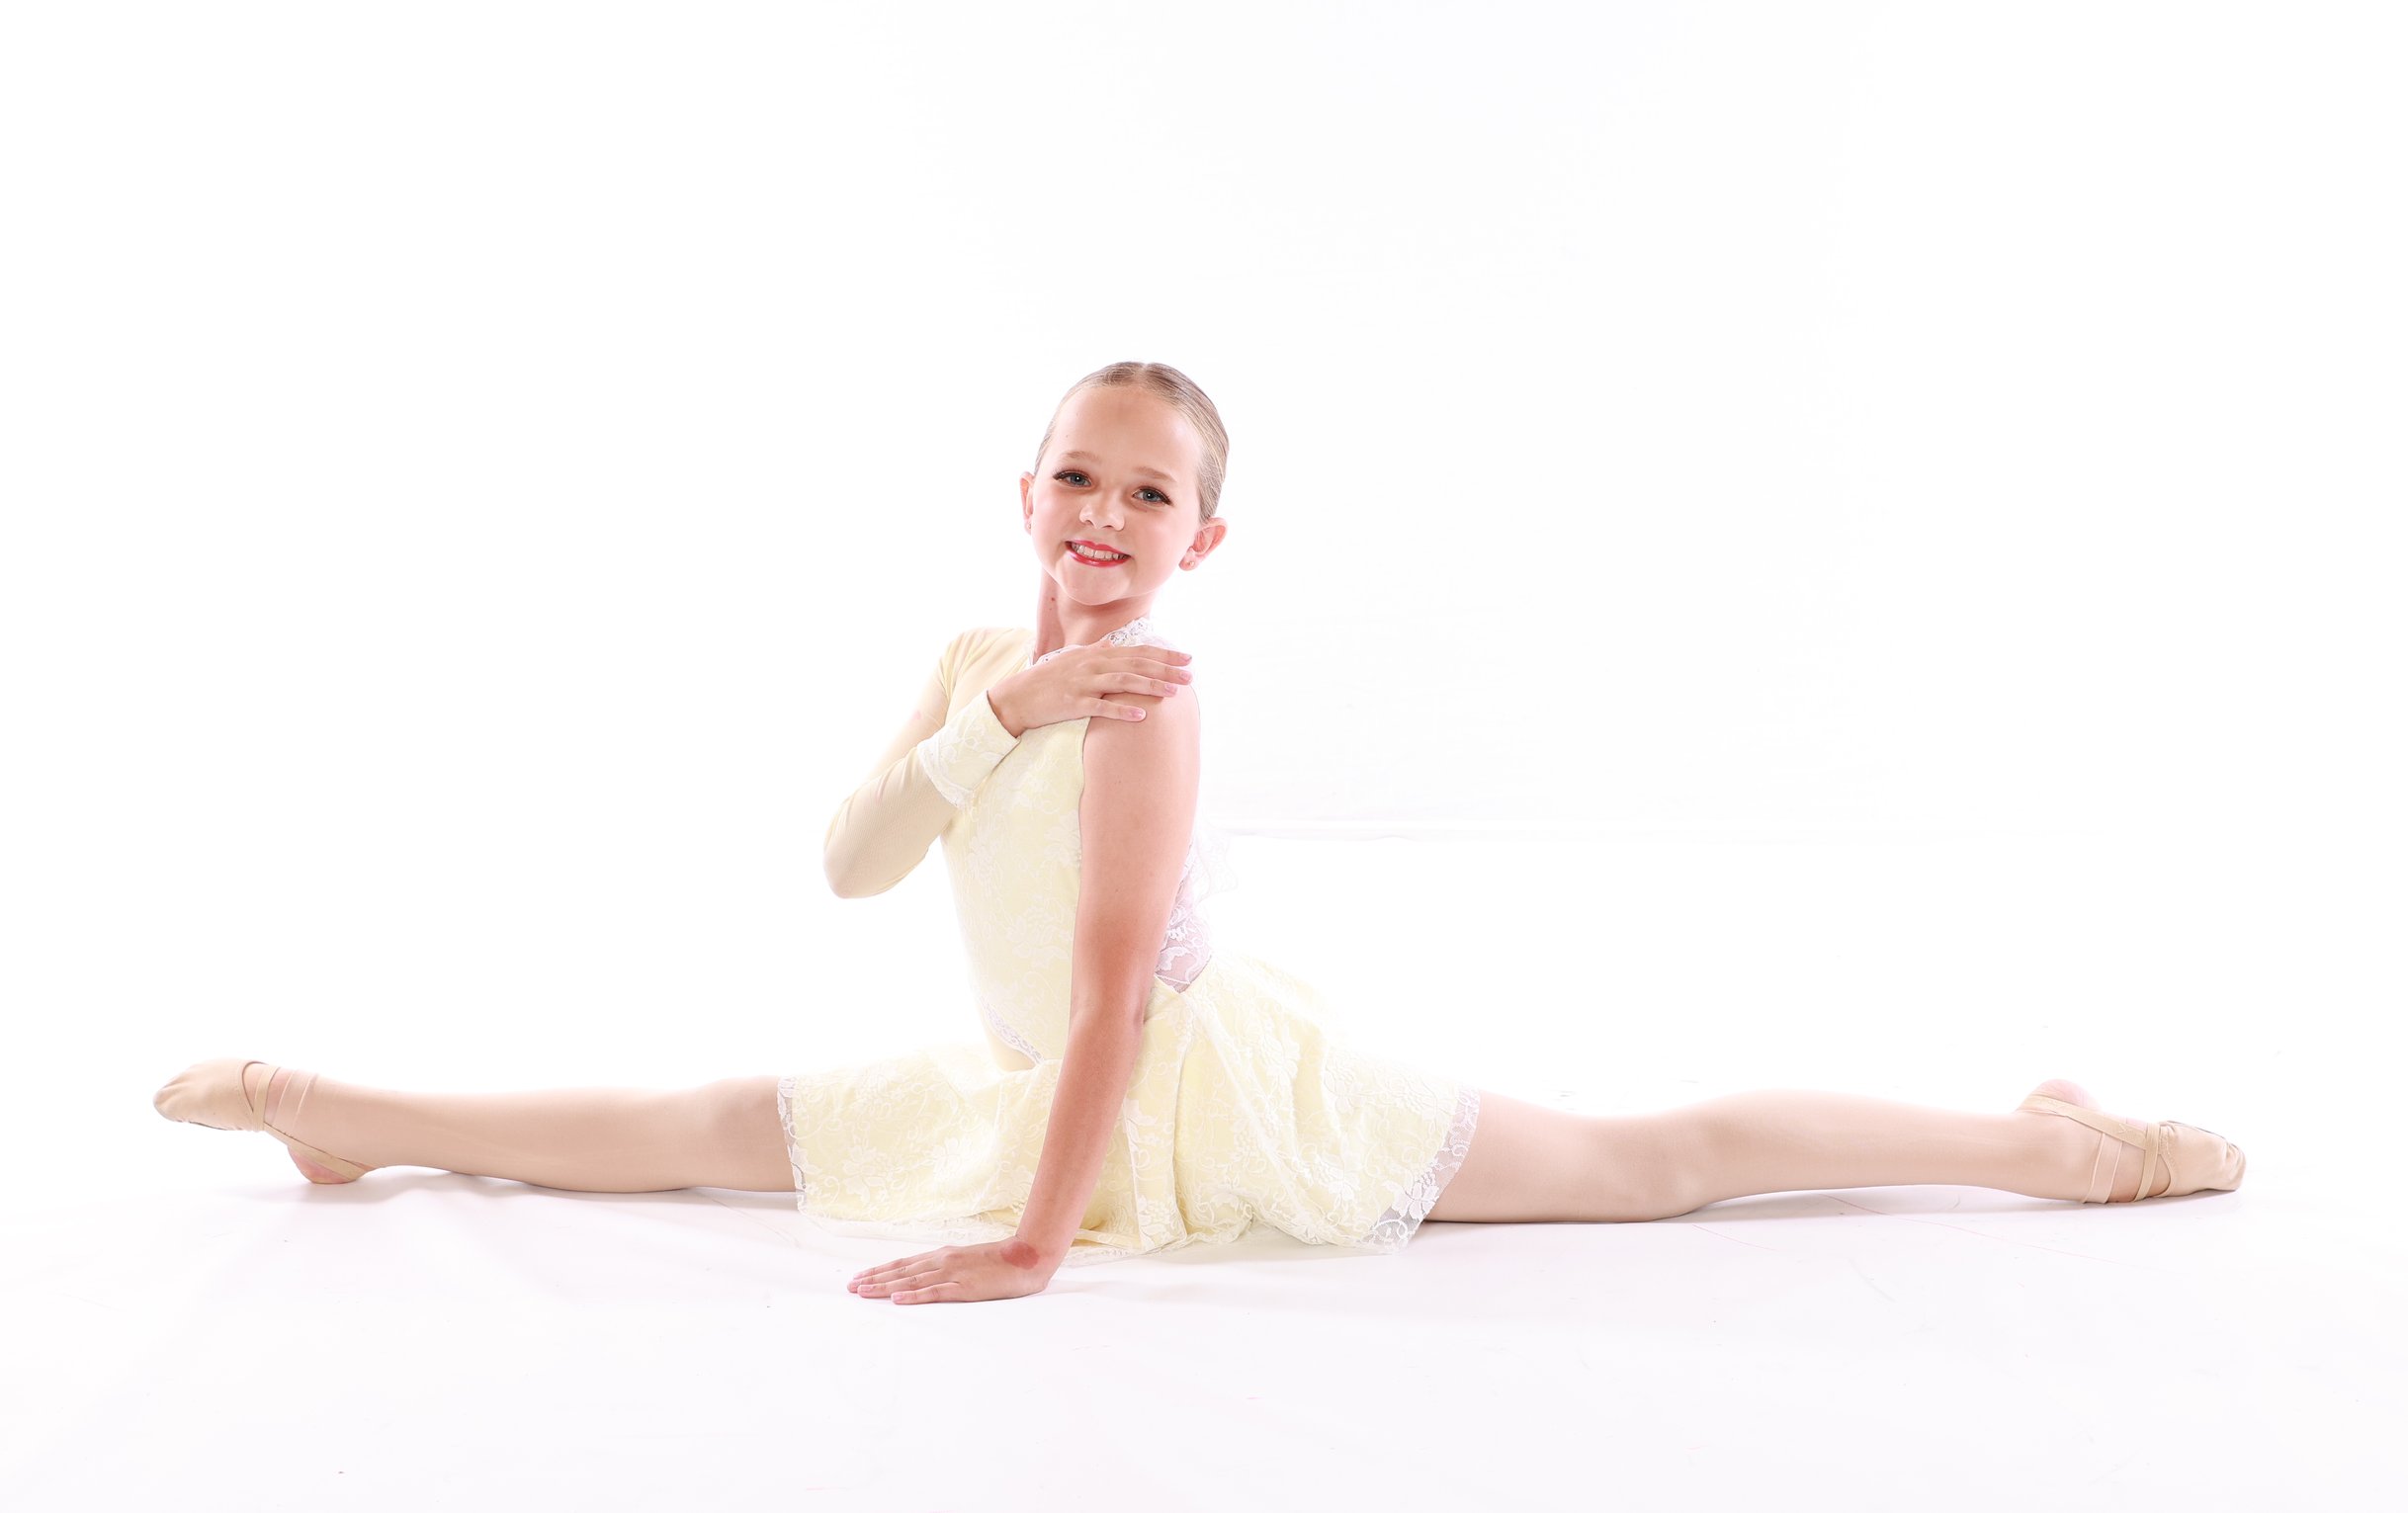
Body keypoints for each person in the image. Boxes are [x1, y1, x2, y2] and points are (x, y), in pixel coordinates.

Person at [152, 361, 2246, 1305]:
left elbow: (1099, 1004)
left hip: (1190, 1095)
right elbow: (849, 866)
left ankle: (2072, 1149)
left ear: (1200, 538)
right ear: (1025, 494)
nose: (1104, 519)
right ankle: (339, 1110)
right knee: (711, 1111)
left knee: (1649, 1162)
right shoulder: (990, 653)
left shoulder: (1153, 703)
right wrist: (997, 706)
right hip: (1026, 1076)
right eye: (1080, 476)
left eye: (1149, 497)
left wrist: (1035, 1242)